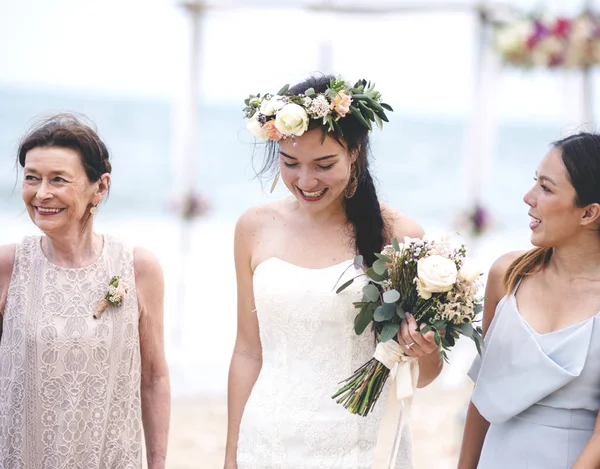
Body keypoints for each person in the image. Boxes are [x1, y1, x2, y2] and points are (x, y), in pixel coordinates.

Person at [224, 75, 443, 469]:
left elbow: (424, 374)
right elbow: (247, 351)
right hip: (267, 442)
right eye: (290, 164)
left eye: (324, 165)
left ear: (355, 152)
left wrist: (422, 349)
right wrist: (231, 454)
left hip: (361, 444)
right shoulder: (253, 228)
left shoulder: (400, 236)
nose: (305, 181)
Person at [0, 114, 171, 469]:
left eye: (58, 180)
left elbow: (154, 379)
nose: (41, 193)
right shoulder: (9, 265)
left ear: (101, 186)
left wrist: (157, 465)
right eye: (32, 178)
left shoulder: (138, 268)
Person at [458, 132, 600, 468]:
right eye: (534, 182)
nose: (528, 197)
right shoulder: (506, 276)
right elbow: (483, 397)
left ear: (589, 213)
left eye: (546, 188)